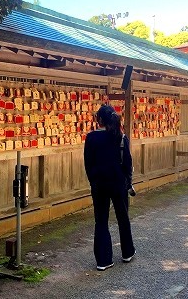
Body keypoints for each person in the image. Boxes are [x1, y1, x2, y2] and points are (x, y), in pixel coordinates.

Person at [84, 104, 136, 270]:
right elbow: (127, 163)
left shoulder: (91, 138)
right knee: (123, 217)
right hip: (118, 183)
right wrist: (128, 182)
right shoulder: (120, 137)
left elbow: (88, 164)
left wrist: (93, 181)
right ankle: (127, 252)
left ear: (99, 119)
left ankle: (103, 260)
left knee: (101, 221)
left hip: (99, 184)